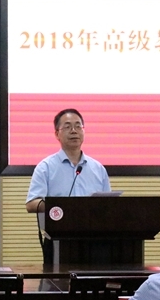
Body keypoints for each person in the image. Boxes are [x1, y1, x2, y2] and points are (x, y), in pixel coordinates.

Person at [25, 109, 111, 264]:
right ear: (57, 134)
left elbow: (109, 205)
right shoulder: (46, 167)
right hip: (58, 240)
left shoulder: (98, 169)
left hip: (94, 241)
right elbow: (31, 204)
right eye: (67, 126)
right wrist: (62, 206)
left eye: (78, 126)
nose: (74, 131)